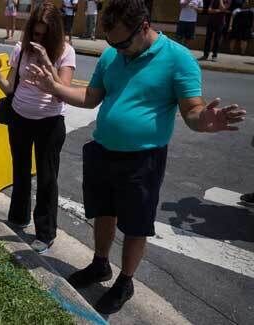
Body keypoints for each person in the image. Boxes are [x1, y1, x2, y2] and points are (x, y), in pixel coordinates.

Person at [25, 0, 246, 314]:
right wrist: (55, 87)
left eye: (123, 42)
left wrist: (204, 121)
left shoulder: (178, 60)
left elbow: (193, 111)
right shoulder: (113, 52)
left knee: (136, 225)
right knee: (103, 213)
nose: (117, 49)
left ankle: (125, 281)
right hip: (103, 151)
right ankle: (100, 264)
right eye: (111, 43)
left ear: (144, 27)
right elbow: (90, 98)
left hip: (142, 160)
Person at [0, 1, 76, 254]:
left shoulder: (66, 52)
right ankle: (18, 218)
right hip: (20, 119)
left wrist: (47, 63)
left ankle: (45, 233)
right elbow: (9, 87)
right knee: (20, 171)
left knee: (46, 178)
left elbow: (62, 93)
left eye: (43, 35)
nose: (37, 39)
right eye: (34, 33)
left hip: (50, 123)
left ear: (54, 34)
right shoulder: (21, 49)